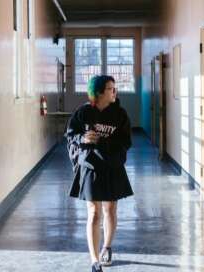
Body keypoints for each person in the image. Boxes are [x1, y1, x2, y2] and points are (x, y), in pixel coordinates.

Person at [65, 75, 133, 272]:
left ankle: (107, 247)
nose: (115, 92)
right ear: (100, 92)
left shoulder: (120, 115)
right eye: (111, 88)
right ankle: (94, 261)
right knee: (94, 213)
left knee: (109, 210)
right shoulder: (84, 112)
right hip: (90, 167)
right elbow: (70, 135)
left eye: (114, 88)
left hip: (112, 167)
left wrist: (102, 142)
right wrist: (82, 138)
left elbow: (126, 143)